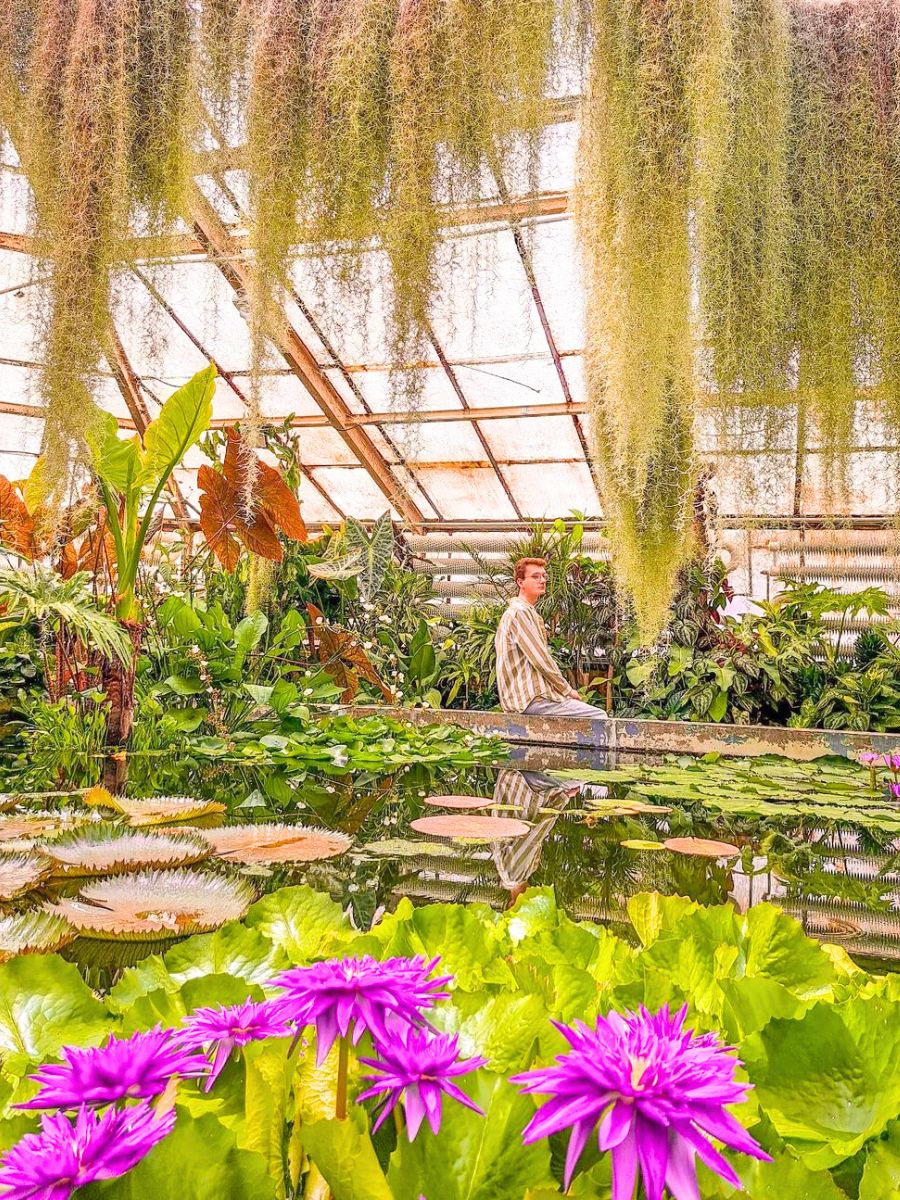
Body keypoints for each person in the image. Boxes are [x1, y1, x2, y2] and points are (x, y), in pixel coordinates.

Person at [494, 557, 608, 717]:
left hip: (532, 698)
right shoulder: (520, 612)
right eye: (535, 576)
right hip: (530, 699)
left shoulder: (523, 612)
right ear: (520, 582)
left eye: (543, 576)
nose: (542, 580)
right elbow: (540, 660)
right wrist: (567, 690)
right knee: (598, 717)